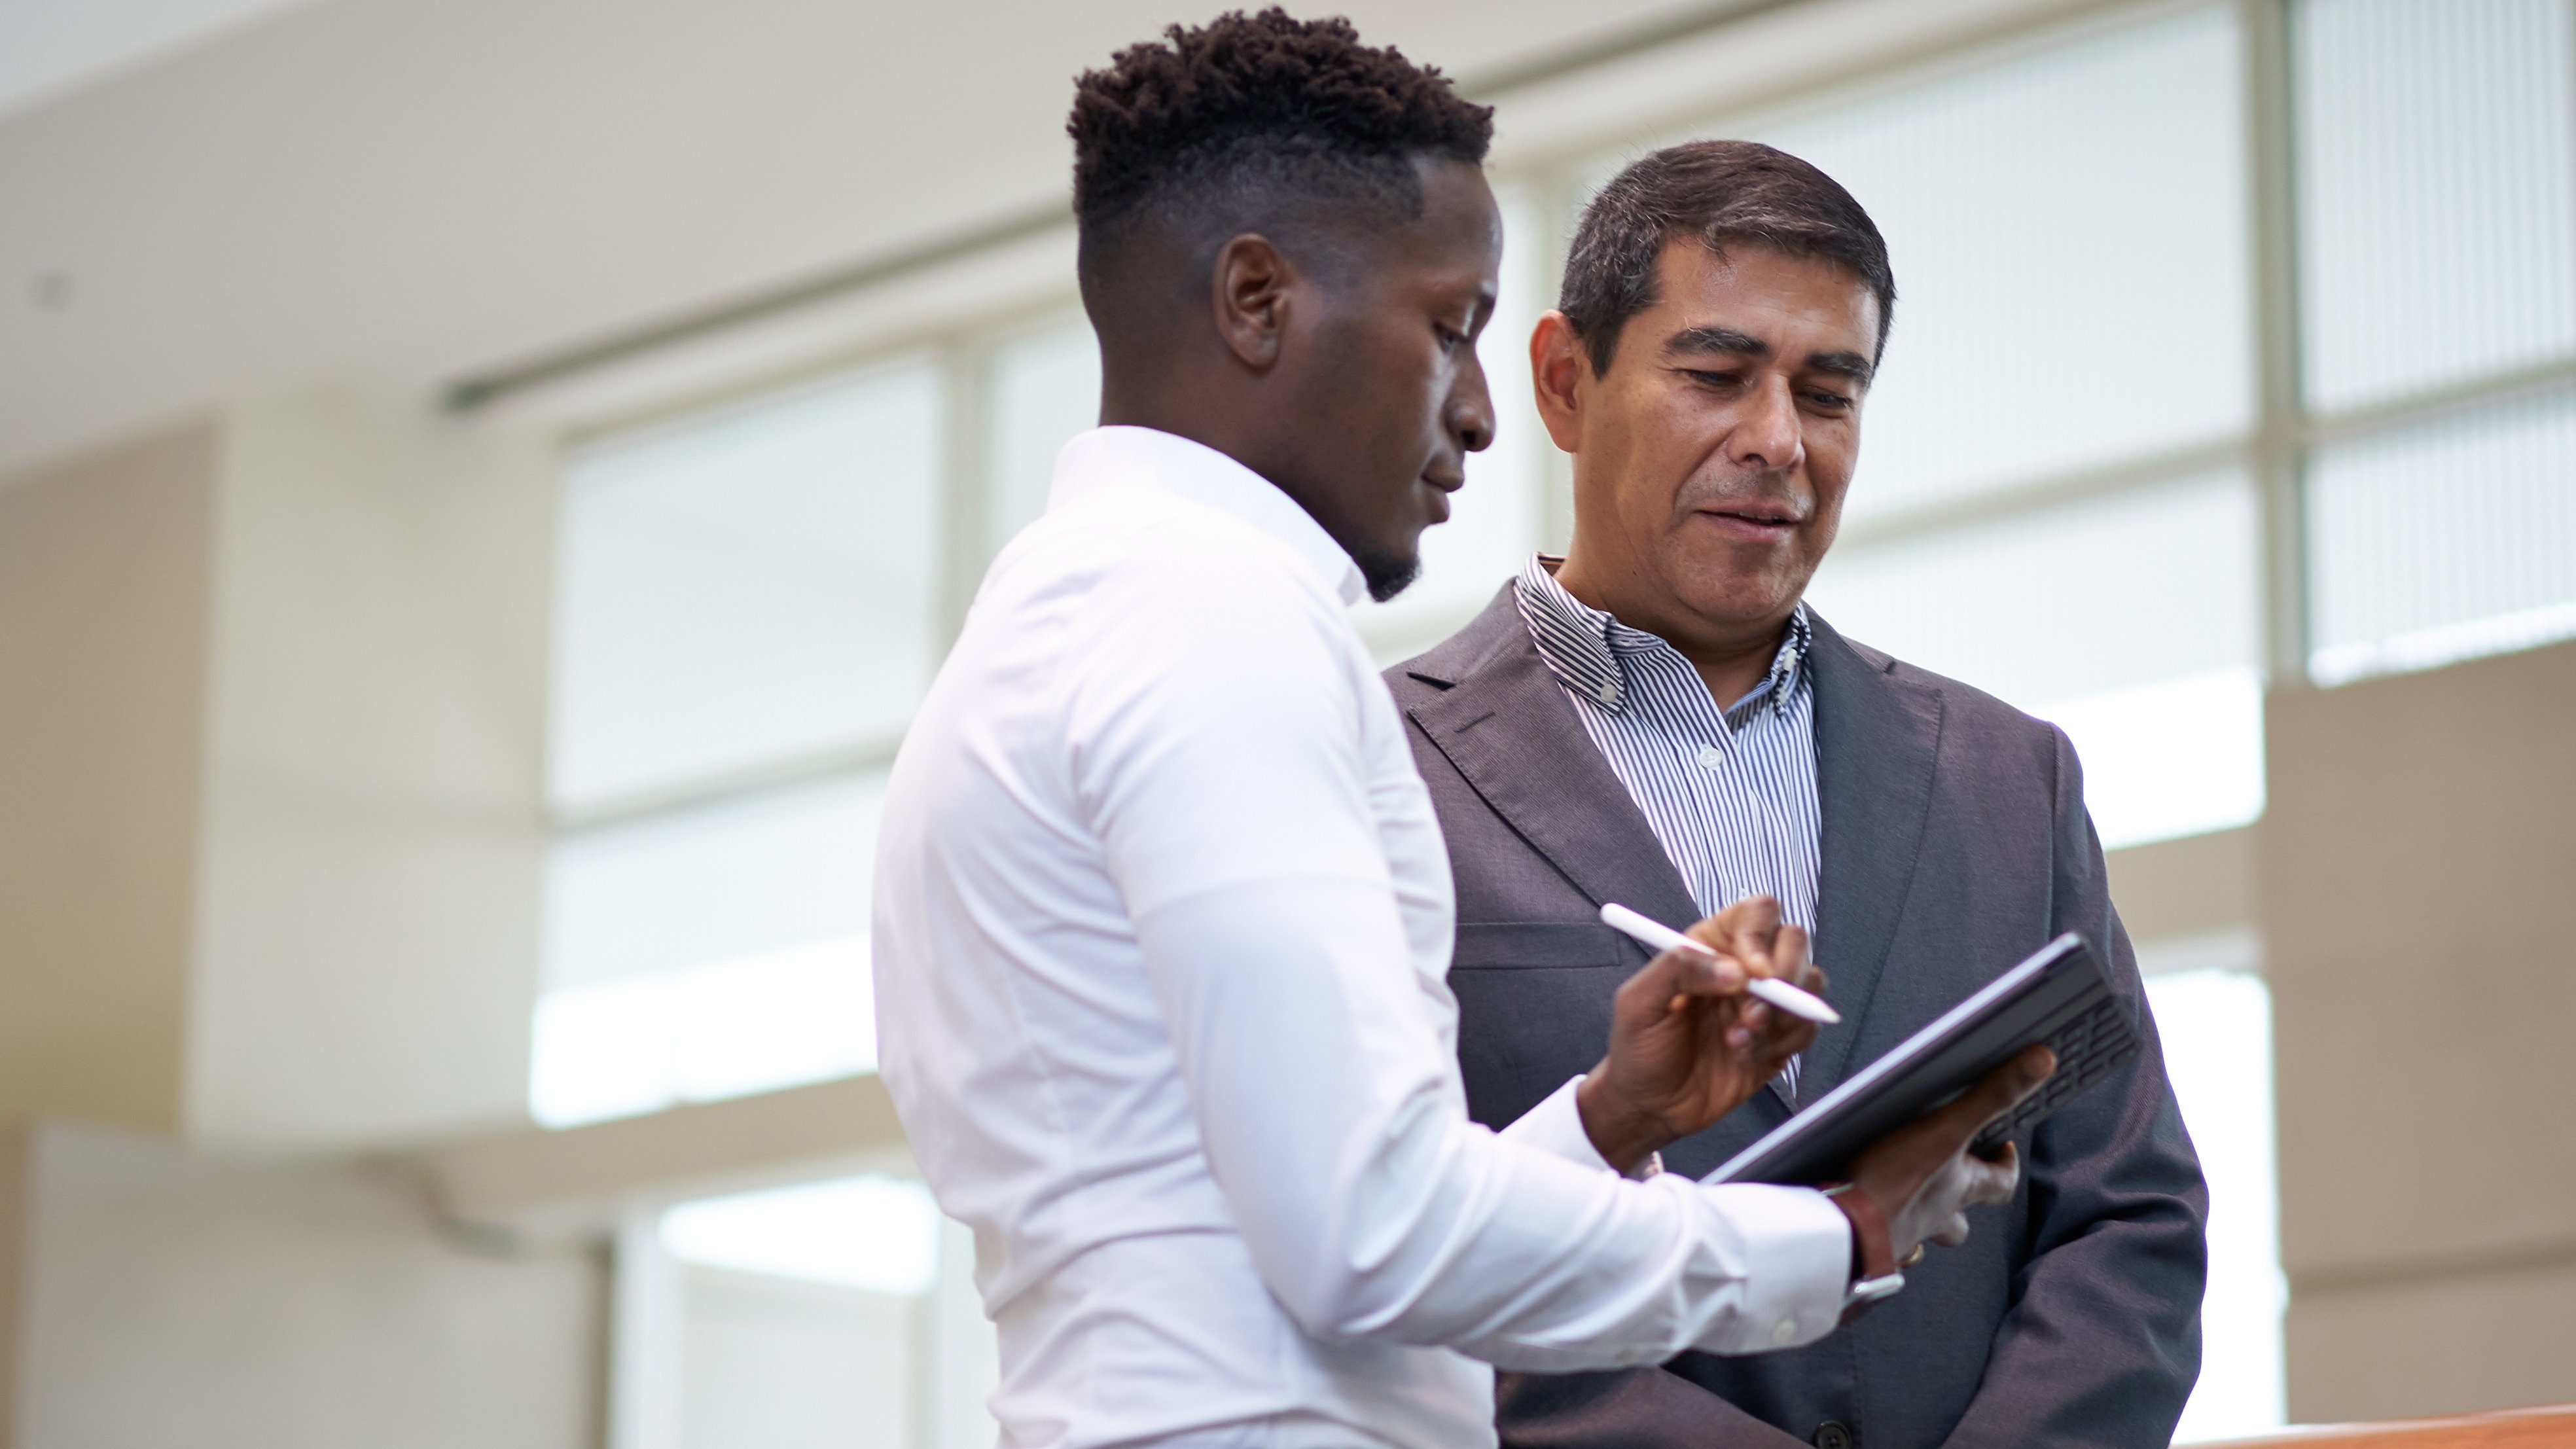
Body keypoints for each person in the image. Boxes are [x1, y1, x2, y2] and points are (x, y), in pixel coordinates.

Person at [872, 19, 2050, 1449]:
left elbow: (1308, 1225)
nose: (1484, 413)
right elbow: (1372, 1241)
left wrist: (1612, 1116)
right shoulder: (1210, 624)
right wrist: (1839, 1239)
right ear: (1258, 299)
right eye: (1450, 327)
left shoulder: (1068, 609)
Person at [1385, 139, 2209, 1449]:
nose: (1778, 442)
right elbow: (1390, 1245)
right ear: (1562, 382)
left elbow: (2127, 1216)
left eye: (1830, 394)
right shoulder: (1382, 766)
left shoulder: (2012, 778)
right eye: (1716, 376)